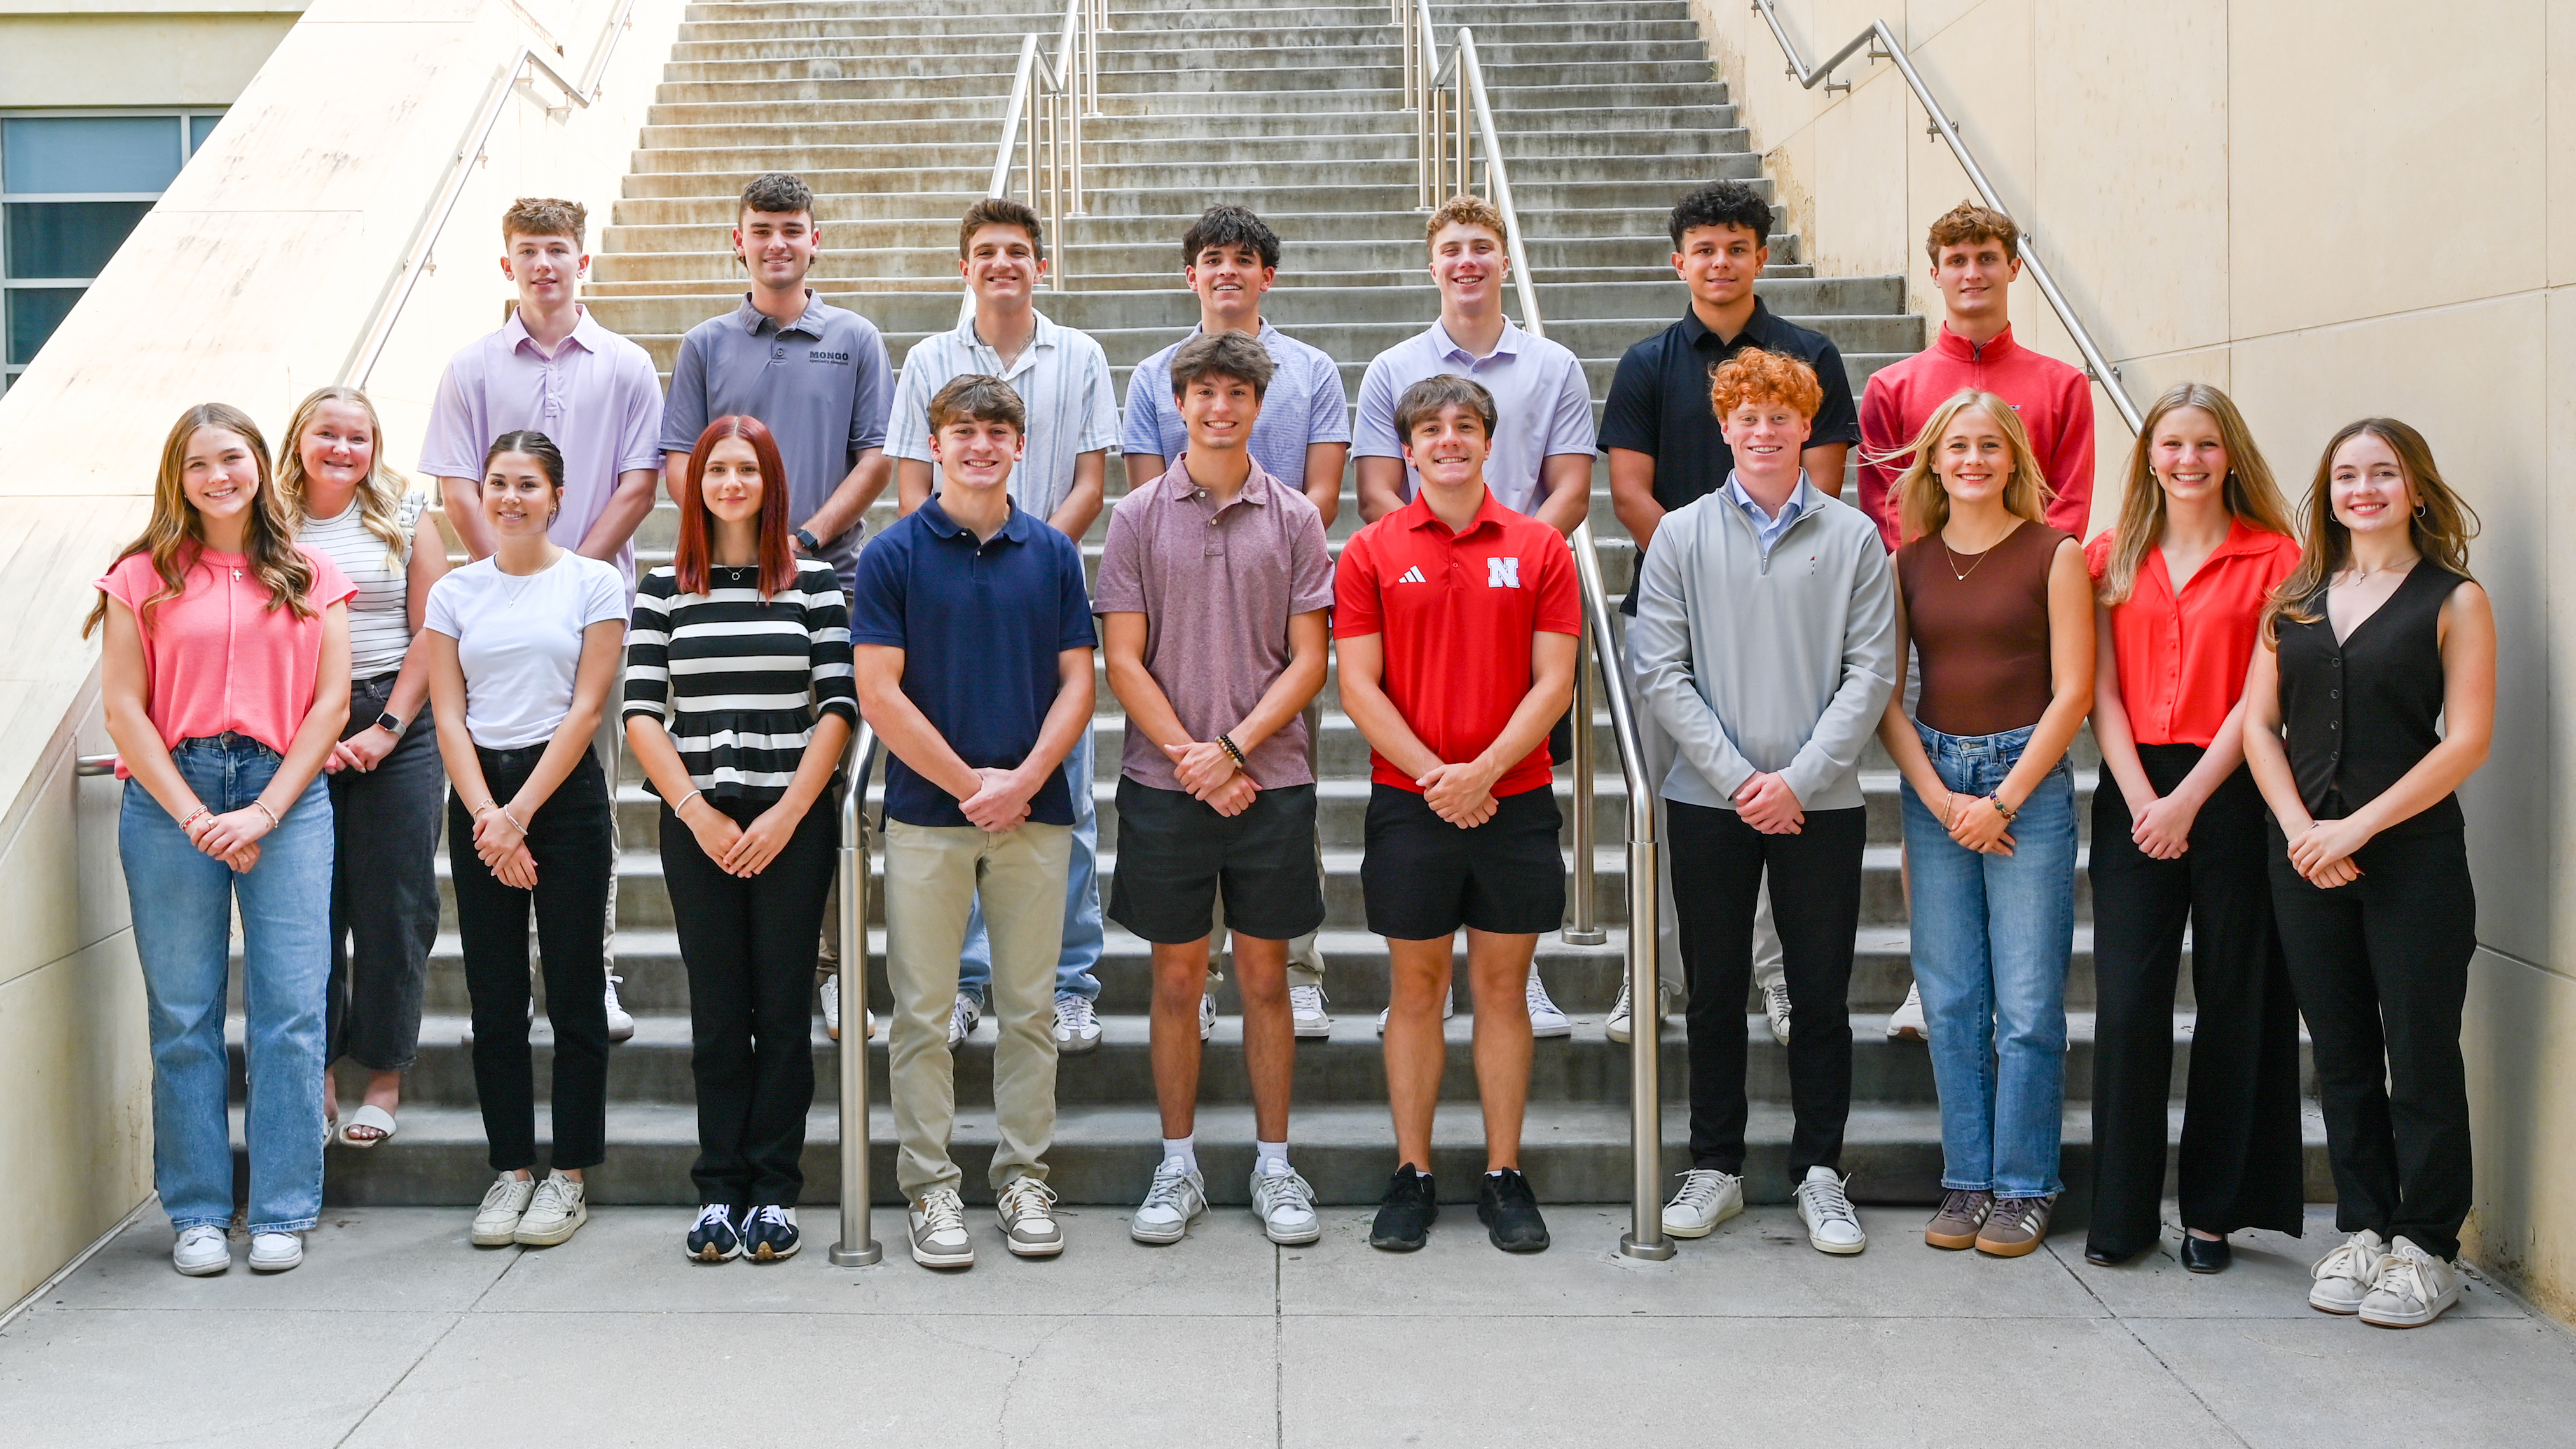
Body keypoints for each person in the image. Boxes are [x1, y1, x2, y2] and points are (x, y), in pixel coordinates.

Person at [1627, 349, 1892, 1254]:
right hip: (1708, 800)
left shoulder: (1853, 537)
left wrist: (1798, 780)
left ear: (1805, 425)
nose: (1764, 429)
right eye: (1747, 414)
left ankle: (1820, 1169)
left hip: (1821, 802)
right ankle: (1715, 1165)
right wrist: (1742, 780)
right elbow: (1658, 669)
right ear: (1724, 424)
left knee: (1818, 992)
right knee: (1710, 995)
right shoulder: (1680, 535)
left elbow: (1871, 673)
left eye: (1781, 415)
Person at [92, 404, 355, 1277]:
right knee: (184, 1012)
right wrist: (195, 813)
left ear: (257, 465)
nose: (218, 475)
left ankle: (281, 1207)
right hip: (174, 794)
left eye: (232, 457)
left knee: (290, 1010)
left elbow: (331, 706)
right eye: (199, 462)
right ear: (179, 477)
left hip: (287, 795)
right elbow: (125, 707)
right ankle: (199, 1210)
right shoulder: (140, 576)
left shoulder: (314, 572)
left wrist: (265, 812)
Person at [1601, 179, 1864, 1048]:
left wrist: (1761, 577)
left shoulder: (1809, 355)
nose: (1719, 261)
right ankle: (1656, 979)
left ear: (1761, 254)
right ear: (1678, 261)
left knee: (1778, 798)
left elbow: (1819, 484)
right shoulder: (1645, 363)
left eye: (1736, 245)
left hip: (1792, 616)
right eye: (1703, 248)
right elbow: (1629, 492)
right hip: (1670, 620)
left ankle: (1779, 980)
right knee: (1680, 814)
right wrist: (1703, 568)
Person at [2244, 419, 2493, 1329]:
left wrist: (2355, 823)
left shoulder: (2451, 599)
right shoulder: (2296, 595)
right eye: (2345, 474)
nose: (2362, 488)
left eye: (2381, 473)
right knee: (2341, 1052)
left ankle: (2427, 1244)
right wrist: (2302, 828)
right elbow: (2252, 726)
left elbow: (2465, 738)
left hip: (2412, 857)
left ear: (2414, 488)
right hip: (2302, 854)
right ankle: (2362, 1228)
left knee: (2419, 1052)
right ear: (2327, 493)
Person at [1099, 333, 1333, 1247]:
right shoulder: (1137, 516)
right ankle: (1179, 1160)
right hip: (1164, 783)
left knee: (1268, 977)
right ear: (1178, 403)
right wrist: (1192, 755)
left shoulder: (1295, 519)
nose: (1219, 407)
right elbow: (1122, 655)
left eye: (1236, 392)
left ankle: (1276, 1165)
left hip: (1270, 781)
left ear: (1258, 405)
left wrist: (1232, 749)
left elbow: (1308, 659)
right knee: (1173, 976)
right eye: (1203, 392)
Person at [855, 375, 1093, 1271]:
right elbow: (879, 690)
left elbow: (1079, 680)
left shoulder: (1053, 553)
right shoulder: (894, 554)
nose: (981, 444)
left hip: (1035, 812)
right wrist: (968, 785)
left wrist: (1025, 777)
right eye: (964, 430)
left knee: (1029, 1010)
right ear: (936, 443)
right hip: (927, 813)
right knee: (921, 1012)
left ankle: (1023, 1176)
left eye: (997, 430)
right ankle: (930, 1186)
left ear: (1019, 446)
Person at [1339, 375, 1579, 1254]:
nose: (1448, 439)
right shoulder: (1368, 549)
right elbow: (1357, 684)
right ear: (1405, 448)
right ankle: (1412, 1171)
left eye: (1465, 426)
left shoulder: (1538, 546)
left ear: (1488, 442)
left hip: (1513, 801)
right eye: (1431, 428)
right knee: (1415, 989)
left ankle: (1503, 1172)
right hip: (1410, 804)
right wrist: (1438, 775)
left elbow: (1552, 680)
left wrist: (1483, 769)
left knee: (1501, 990)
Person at [420, 196, 663, 1044]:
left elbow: (639, 483)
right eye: (527, 251)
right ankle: (503, 980)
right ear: (507, 264)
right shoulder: (472, 366)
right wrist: (505, 576)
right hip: (488, 621)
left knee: (586, 793)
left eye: (557, 250)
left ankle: (588, 970)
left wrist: (572, 579)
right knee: (487, 785)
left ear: (582, 261)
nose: (544, 265)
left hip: (592, 617)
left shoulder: (628, 365)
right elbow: (457, 482)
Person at [657, 172, 892, 1044]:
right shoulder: (706, 344)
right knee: (745, 769)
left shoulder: (855, 338)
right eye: (762, 229)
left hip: (831, 581)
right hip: (723, 590)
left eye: (792, 228)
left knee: (825, 778)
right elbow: (683, 457)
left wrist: (802, 540)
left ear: (814, 240)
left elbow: (874, 455)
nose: (777, 243)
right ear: (739, 240)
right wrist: (737, 540)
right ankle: (756, 967)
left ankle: (834, 970)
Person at [1351, 193, 1591, 1036]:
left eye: (1481, 246)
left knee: (1516, 777)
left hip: (1521, 594)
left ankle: (1509, 970)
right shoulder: (1392, 367)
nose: (1467, 261)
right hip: (1419, 583)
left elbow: (1570, 483)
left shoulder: (1552, 365)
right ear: (1432, 265)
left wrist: (1514, 558)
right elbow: (1378, 485)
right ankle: (1427, 977)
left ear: (1501, 259)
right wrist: (1434, 546)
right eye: (1451, 247)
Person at [1856, 202, 2096, 1042]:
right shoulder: (1891, 389)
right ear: (1933, 271)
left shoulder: (2060, 386)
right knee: (1930, 793)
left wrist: (1998, 573)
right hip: (1926, 612)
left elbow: (2064, 507)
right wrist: (1937, 575)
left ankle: (2015, 983)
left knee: (2011, 797)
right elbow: (1885, 510)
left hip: (2019, 623)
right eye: (1954, 257)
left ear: (2010, 267)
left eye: (1985, 256)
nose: (1969, 271)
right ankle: (1936, 982)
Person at [2082, 384, 2306, 1273]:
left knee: (2235, 998)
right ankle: (2121, 1212)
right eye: (2170, 443)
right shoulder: (2108, 554)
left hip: (2236, 782)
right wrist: (2144, 798)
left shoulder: (2276, 557)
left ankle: (2211, 1212)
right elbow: (2097, 691)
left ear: (2229, 454)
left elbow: (2261, 702)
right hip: (2131, 785)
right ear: (2147, 456)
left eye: (2204, 444)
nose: (2186, 459)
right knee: (2129, 1004)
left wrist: (2187, 801)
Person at [886, 197, 1117, 1055]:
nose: (1001, 264)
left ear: (1039, 264)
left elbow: (1093, 478)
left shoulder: (1080, 354)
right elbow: (914, 480)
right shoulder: (927, 359)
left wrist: (1028, 562)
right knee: (961, 799)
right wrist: (946, 568)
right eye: (985, 251)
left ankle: (1069, 983)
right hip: (942, 607)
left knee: (1067, 802)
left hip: (1041, 592)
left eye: (1017, 251)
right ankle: (966, 981)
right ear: (964, 267)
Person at [626, 416, 857, 1265]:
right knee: (719, 1014)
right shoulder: (661, 588)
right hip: (700, 821)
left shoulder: (813, 584)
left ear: (770, 482)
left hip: (790, 820)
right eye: (715, 467)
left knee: (785, 1009)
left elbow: (836, 706)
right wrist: (698, 812)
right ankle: (718, 1188)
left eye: (745, 469)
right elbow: (641, 712)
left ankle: (773, 1191)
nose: (728, 481)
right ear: (696, 483)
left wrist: (787, 813)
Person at [1121, 203, 1347, 1039]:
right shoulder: (1154, 374)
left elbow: (1320, 494)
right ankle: (1204, 969)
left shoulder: (1312, 369)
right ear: (1190, 274)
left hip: (1277, 607)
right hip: (1179, 610)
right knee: (1191, 804)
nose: (1227, 270)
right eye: (1211, 257)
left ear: (1266, 275)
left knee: (1286, 797)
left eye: (1244, 258)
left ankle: (1298, 968)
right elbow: (1148, 497)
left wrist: (1266, 544)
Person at [1875, 390, 2092, 1258]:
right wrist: (1938, 797)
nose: (1970, 459)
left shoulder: (2054, 552)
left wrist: (1998, 800)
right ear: (1931, 460)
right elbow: (1886, 695)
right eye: (1954, 446)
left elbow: (2073, 689)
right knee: (1954, 996)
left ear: (2012, 460)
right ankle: (1966, 1178)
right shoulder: (1909, 561)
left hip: (2025, 783)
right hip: (1935, 782)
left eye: (1987, 446)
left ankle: (2024, 1185)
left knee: (2030, 1000)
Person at [424, 431, 628, 1252]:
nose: (509, 497)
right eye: (497, 483)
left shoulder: (594, 582)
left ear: (555, 495)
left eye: (526, 484)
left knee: (574, 992)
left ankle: (568, 1174)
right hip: (478, 794)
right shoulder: (454, 591)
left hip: (565, 791)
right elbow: (446, 711)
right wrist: (487, 814)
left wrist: (520, 812)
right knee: (495, 996)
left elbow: (586, 710)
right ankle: (509, 1168)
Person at [277, 386, 449, 1151]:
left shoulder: (409, 516)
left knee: (394, 906)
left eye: (359, 437)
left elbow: (435, 629)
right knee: (310, 908)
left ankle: (381, 1076)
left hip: (397, 721)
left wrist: (386, 726)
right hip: (295, 725)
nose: (343, 449)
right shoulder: (264, 523)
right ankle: (315, 1076)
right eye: (328, 434)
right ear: (299, 439)